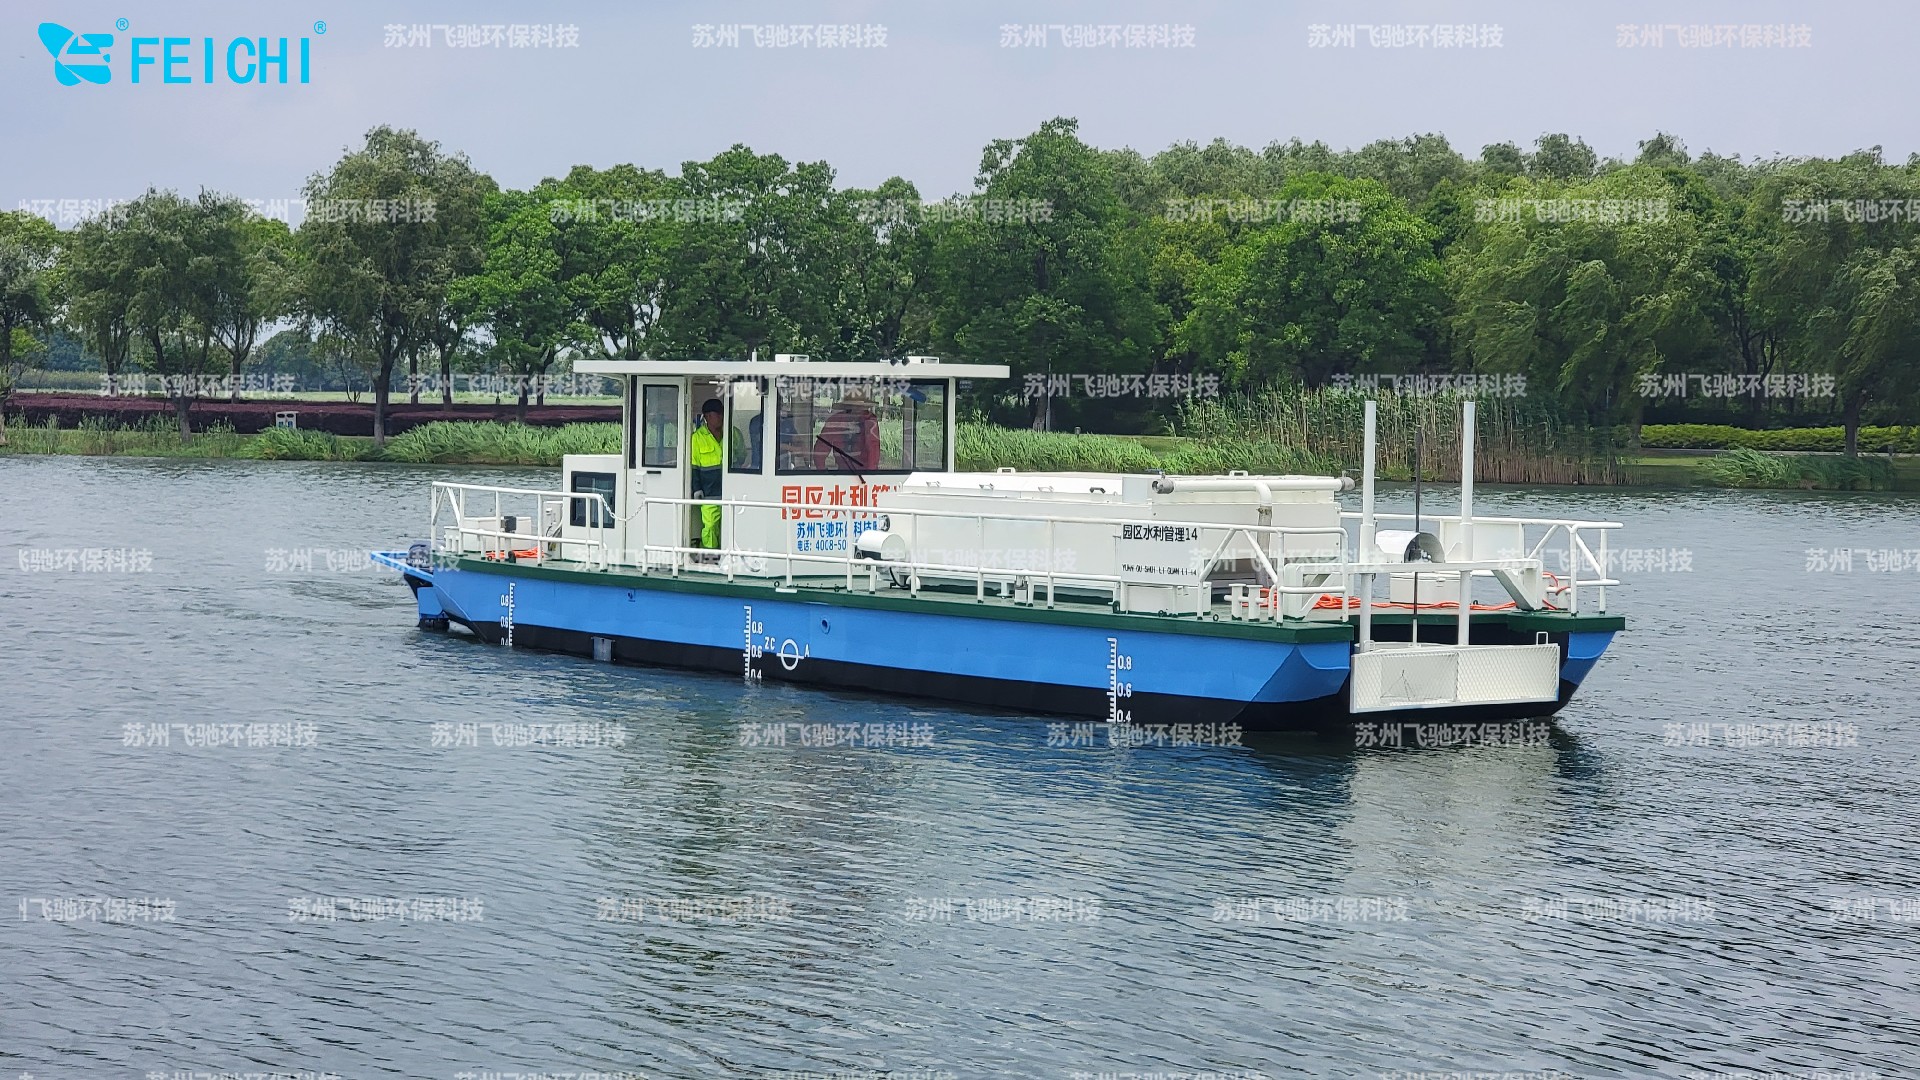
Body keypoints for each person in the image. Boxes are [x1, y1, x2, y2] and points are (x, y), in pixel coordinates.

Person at [690, 398, 725, 549]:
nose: (721, 417)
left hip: (731, 490)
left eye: (721, 413)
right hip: (709, 492)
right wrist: (697, 489)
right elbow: (694, 466)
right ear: (707, 416)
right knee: (710, 526)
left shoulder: (732, 432)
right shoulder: (697, 438)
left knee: (730, 525)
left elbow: (741, 455)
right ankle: (711, 555)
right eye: (717, 414)